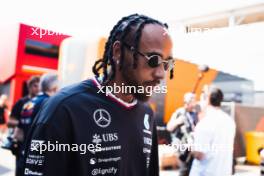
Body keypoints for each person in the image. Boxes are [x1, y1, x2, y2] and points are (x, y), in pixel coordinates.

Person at [22, 14, 175, 176]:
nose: (161, 74)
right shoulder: (63, 109)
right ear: (118, 52)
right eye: (153, 60)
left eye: (168, 63)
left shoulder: (146, 114)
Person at [15, 73, 58, 176]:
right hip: (38, 161)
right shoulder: (49, 103)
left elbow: (18, 134)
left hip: (24, 156)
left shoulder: (28, 103)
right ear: (54, 87)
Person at [190, 87, 236, 176]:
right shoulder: (229, 121)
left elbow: (199, 155)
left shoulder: (205, 123)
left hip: (206, 172)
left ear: (207, 99)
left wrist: (190, 145)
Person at [166, 92, 198, 176]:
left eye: (194, 100)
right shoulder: (179, 112)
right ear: (187, 102)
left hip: (193, 147)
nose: (194, 103)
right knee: (183, 170)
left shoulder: (195, 114)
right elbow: (169, 127)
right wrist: (178, 121)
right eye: (192, 101)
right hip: (182, 149)